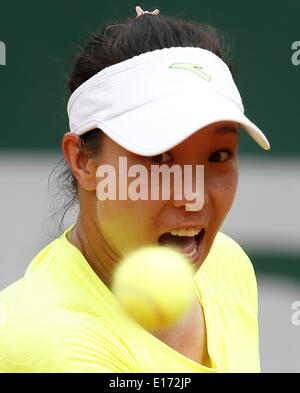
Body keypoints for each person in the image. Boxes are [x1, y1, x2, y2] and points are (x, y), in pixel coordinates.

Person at [0, 6, 270, 373]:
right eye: (158, 158)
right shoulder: (48, 345)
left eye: (218, 155)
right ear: (82, 160)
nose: (192, 195)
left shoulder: (227, 263)